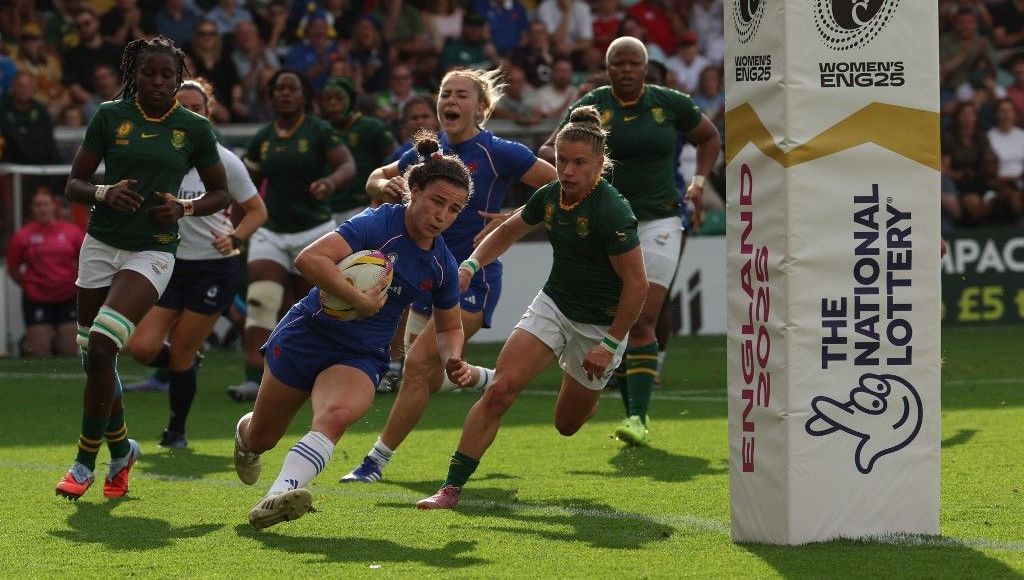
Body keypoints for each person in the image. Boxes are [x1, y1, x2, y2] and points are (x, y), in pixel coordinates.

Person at [232, 135, 474, 529]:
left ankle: (276, 496)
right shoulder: (378, 222)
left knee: (337, 414)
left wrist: (453, 358)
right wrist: (358, 300)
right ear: (414, 191)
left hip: (360, 355)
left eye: (454, 209)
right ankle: (246, 437)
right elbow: (309, 259)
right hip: (308, 334)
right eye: (436, 201)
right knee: (262, 437)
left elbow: (449, 326)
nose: (442, 214)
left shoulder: (442, 265)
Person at [416, 106, 647, 509]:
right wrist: (471, 265)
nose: (568, 171)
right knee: (500, 391)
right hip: (555, 305)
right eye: (561, 161)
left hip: (601, 327)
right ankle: (450, 488)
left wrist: (609, 344)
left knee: (566, 424)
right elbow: (508, 230)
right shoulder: (551, 196)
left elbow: (637, 285)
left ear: (599, 164)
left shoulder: (613, 211)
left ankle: (588, 393)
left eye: (579, 163)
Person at [340, 67, 556, 483]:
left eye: (460, 95)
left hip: (471, 276)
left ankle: (374, 462)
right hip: (424, 275)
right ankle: (488, 379)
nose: (450, 102)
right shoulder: (427, 151)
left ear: (481, 107)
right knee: (428, 375)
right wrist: (380, 188)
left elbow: (562, 188)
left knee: (418, 367)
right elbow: (376, 177)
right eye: (445, 94)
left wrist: (512, 218)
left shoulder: (499, 151)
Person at [56, 36, 229, 500]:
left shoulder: (193, 128)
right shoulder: (110, 116)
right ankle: (123, 449)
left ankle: (84, 461)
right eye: (149, 73)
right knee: (93, 356)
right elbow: (73, 183)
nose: (158, 81)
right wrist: (103, 191)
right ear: (134, 74)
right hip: (101, 243)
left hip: (152, 250)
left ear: (177, 80)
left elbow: (220, 192)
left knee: (102, 345)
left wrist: (184, 208)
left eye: (167, 75)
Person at [539, 36, 721, 446]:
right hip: (605, 222)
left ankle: (636, 417)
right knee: (609, 312)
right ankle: (607, 380)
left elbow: (709, 137)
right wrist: (562, 180)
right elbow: (553, 146)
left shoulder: (670, 103)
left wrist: (698, 182)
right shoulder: (593, 105)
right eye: (616, 63)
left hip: (659, 220)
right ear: (607, 67)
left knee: (643, 317)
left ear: (646, 67)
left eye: (632, 63)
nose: (624, 69)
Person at [121, 79, 268, 449]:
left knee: (182, 351)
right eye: (180, 106)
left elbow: (257, 210)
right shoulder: (158, 153)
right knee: (141, 347)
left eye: (196, 108)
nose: (188, 113)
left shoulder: (223, 159)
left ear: (208, 113)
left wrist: (236, 238)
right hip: (166, 262)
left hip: (213, 268)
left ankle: (176, 431)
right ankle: (185, 366)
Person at [226, 69, 356, 402]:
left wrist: (331, 182)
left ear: (304, 96)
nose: (285, 93)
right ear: (270, 97)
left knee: (315, 308)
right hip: (270, 231)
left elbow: (347, 165)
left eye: (292, 87)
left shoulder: (319, 130)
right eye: (279, 89)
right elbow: (246, 188)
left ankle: (320, 373)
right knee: (262, 299)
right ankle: (254, 377)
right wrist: (236, 234)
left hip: (314, 234)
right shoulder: (264, 137)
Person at [6, 187, 85, 357]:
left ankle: (57, 339)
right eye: (37, 205)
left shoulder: (72, 232)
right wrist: (29, 285)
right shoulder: (22, 236)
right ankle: (27, 343)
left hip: (67, 295)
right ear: (32, 209)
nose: (42, 209)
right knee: (38, 351)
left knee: (69, 350)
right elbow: (13, 268)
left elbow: (86, 260)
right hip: (37, 298)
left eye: (45, 204)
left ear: (54, 207)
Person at [320, 76, 398, 222]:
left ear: (351, 100)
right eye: (328, 99)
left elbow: (395, 160)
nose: (333, 104)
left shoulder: (371, 127)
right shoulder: (321, 129)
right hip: (327, 210)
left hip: (362, 206)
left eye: (339, 98)